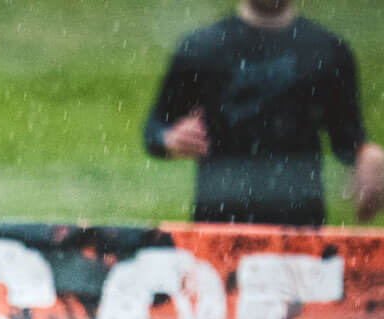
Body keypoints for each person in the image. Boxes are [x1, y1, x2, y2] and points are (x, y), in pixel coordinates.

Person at [143, 0, 384, 225]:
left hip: (300, 228)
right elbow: (154, 130)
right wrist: (170, 139)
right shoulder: (201, 47)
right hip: (218, 224)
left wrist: (368, 156)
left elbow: (347, 137)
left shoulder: (328, 51)